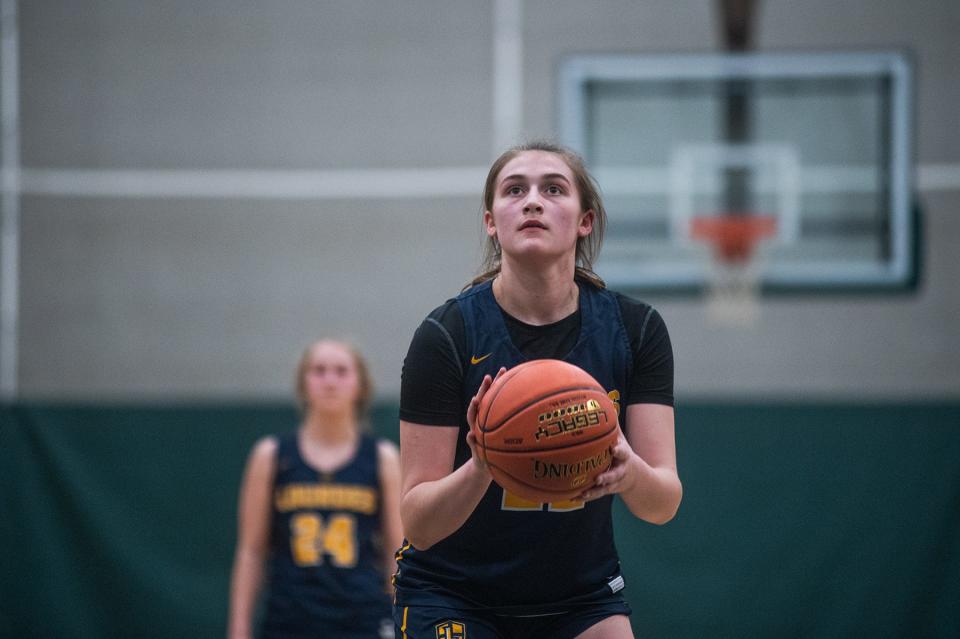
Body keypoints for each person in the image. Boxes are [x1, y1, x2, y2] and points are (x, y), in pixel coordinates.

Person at [393, 141, 682, 638]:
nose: (532, 201)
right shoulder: (447, 334)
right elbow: (418, 524)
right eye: (514, 190)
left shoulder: (635, 330)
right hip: (453, 592)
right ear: (491, 221)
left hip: (581, 596)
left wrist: (629, 471)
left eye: (553, 189)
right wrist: (483, 462)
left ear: (584, 220)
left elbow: (663, 503)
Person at [228, 339, 402, 639]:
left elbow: (395, 552)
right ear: (303, 384)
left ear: (360, 385)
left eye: (341, 371)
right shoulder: (271, 455)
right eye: (318, 371)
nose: (330, 381)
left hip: (362, 617)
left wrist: (404, 622)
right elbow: (251, 551)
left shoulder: (382, 457)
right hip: (290, 617)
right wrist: (239, 627)